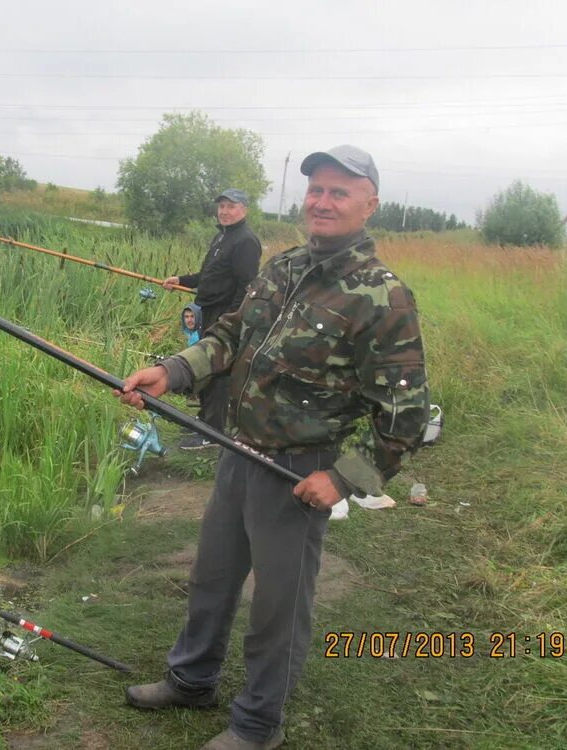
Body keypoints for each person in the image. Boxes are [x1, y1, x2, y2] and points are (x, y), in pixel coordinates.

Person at [116, 145, 430, 750]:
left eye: (340, 191)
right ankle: (190, 680)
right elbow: (231, 334)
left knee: (278, 608)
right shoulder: (283, 267)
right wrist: (174, 370)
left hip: (300, 471)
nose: (323, 200)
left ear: (370, 204)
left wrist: (342, 480)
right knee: (212, 576)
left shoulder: (383, 297)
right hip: (237, 449)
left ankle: (257, 725)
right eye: (316, 189)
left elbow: (405, 416)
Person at [163, 188, 262, 449]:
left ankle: (213, 433)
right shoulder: (222, 237)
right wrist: (181, 280)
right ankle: (204, 422)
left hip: (225, 315)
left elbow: (247, 286)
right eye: (222, 206)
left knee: (217, 372)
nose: (225, 211)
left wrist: (231, 320)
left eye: (231, 206)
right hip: (207, 310)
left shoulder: (246, 241)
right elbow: (209, 275)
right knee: (204, 368)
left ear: (244, 210)